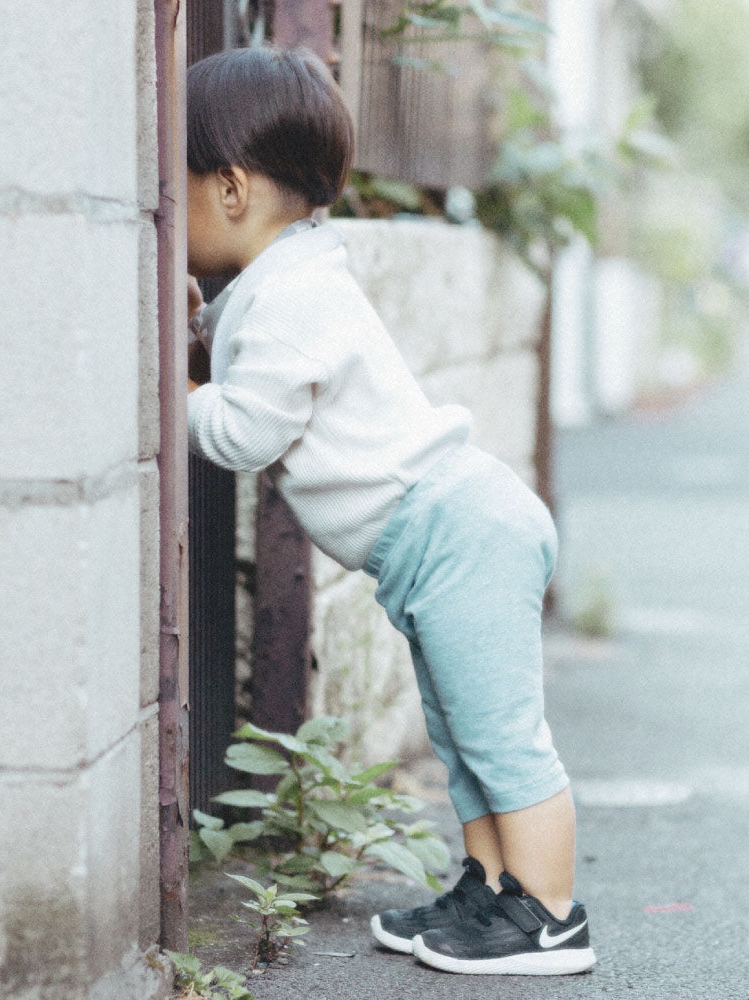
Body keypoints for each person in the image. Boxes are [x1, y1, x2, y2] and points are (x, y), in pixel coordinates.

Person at [182, 46, 593, 976]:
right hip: (441, 537)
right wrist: (199, 335)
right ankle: (493, 894)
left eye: (182, 183)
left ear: (233, 189)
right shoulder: (286, 280)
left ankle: (552, 917)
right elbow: (253, 364)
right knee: (461, 733)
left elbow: (245, 431)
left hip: (458, 532)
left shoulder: (291, 297)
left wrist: (169, 389)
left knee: (500, 735)